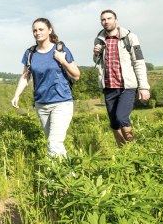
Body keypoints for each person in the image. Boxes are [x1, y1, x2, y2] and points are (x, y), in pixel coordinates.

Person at [12, 18, 80, 157]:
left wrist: (62, 60)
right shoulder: (30, 53)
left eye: (41, 29)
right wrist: (16, 95)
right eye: (35, 30)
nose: (37, 33)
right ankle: (68, 176)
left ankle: (53, 178)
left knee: (53, 144)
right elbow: (26, 76)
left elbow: (76, 75)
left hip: (61, 102)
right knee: (54, 144)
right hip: (41, 104)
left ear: (49, 30)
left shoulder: (60, 49)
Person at [93, 9, 150, 146]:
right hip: (109, 86)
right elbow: (96, 61)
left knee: (122, 118)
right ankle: (122, 151)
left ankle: (134, 149)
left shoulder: (129, 37)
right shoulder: (99, 39)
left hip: (127, 86)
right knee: (114, 122)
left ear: (116, 20)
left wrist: (144, 87)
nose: (106, 22)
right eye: (103, 19)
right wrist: (96, 53)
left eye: (109, 18)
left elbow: (139, 62)